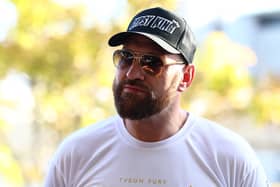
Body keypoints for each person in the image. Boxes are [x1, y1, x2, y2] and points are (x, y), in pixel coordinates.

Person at [44, 7, 269, 187]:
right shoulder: (78, 153)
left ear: (186, 77)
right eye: (126, 57)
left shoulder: (230, 158)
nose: (133, 73)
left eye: (152, 63)